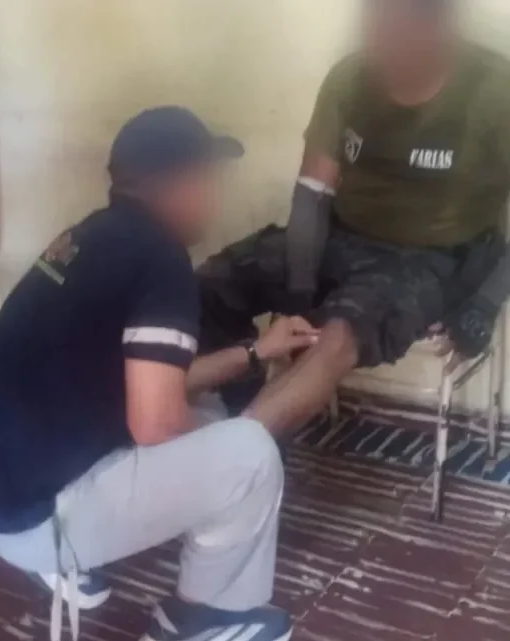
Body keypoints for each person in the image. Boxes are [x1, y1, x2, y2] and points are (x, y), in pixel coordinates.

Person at [0, 107, 315, 641]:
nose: (214, 196)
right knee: (250, 453)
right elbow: (155, 423)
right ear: (181, 183)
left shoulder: (92, 236)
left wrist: (255, 351)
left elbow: (154, 387)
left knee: (210, 414)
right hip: (42, 520)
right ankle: (204, 621)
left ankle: (140, 580)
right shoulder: (160, 259)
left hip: (2, 501)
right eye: (210, 180)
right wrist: (229, 453)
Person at [199, 0, 510, 436]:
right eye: (375, 24)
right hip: (339, 237)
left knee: (340, 335)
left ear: (439, 27)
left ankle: (229, 456)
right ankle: (239, 413)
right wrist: (300, 295)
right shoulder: (350, 77)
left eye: (398, 31)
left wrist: (485, 302)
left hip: (429, 259)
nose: (382, 44)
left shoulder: (495, 90)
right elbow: (312, 197)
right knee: (211, 286)